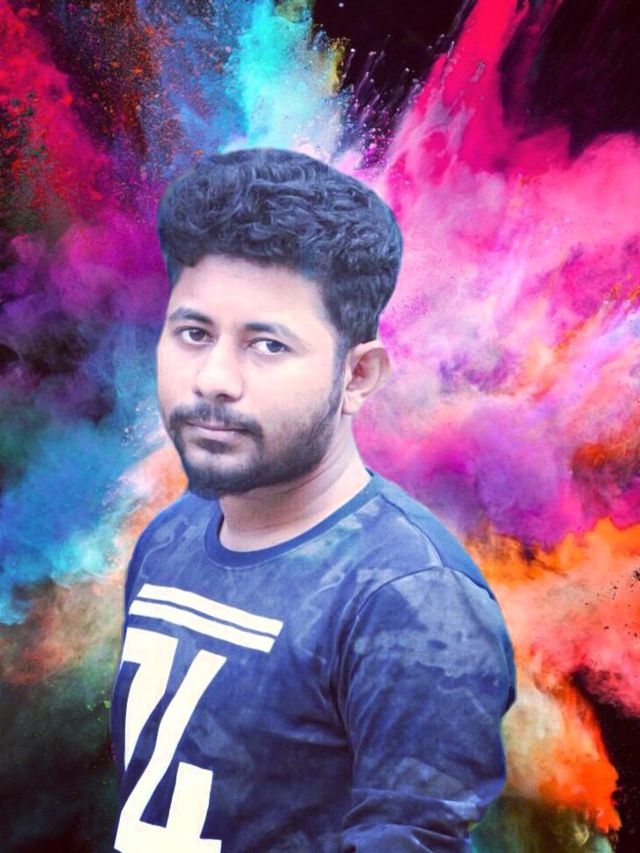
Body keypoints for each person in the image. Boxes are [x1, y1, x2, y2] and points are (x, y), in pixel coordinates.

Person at [110, 147, 516, 852]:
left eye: (267, 345)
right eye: (194, 333)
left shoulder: (411, 597)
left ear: (357, 376)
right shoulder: (168, 538)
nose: (214, 378)